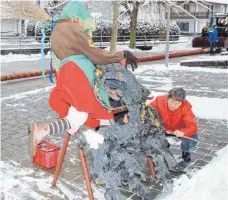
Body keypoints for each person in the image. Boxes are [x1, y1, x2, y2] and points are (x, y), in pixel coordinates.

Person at [29, 1, 138, 157]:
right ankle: (114, 147)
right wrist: (121, 55)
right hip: (80, 72)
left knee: (79, 113)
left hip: (67, 72)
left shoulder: (56, 31)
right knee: (94, 109)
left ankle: (44, 130)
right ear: (77, 15)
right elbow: (92, 53)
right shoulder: (73, 28)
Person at [148, 88, 198, 162]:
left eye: (177, 103)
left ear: (182, 102)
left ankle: (185, 150)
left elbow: (193, 126)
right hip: (163, 128)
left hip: (179, 130)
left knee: (193, 141)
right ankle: (164, 144)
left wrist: (183, 132)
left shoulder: (186, 107)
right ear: (168, 98)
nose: (173, 105)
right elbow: (148, 111)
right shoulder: (159, 100)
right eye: (171, 101)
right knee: (148, 133)